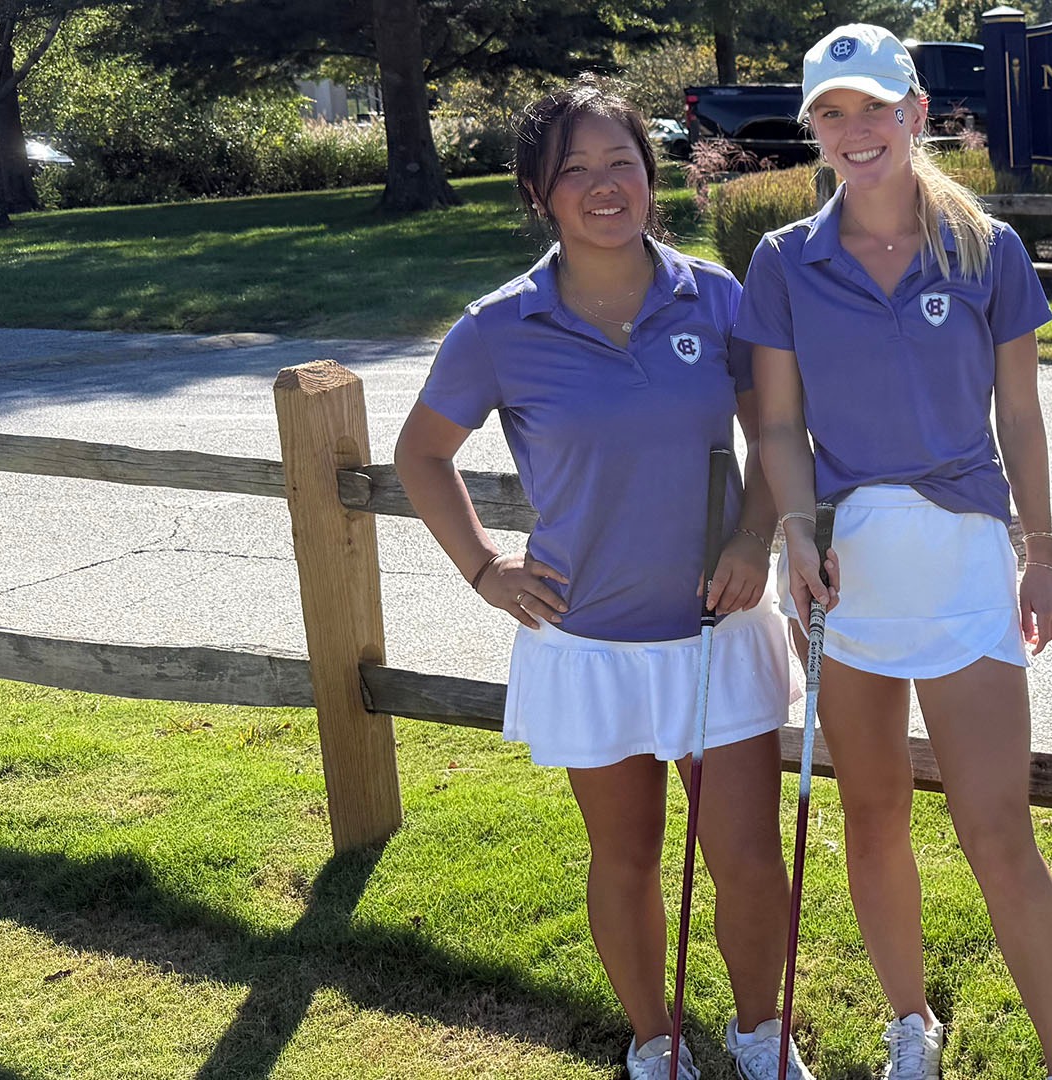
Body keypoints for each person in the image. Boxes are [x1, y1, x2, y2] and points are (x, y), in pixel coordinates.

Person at [392, 76, 814, 1080]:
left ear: (650, 173)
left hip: (719, 634)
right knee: (624, 860)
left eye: (619, 161)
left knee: (749, 860)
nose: (602, 185)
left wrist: (755, 538)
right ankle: (656, 1040)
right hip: (587, 642)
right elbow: (421, 455)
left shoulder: (716, 296)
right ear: (539, 196)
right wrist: (484, 569)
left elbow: (776, 436)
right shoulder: (499, 326)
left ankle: (761, 1033)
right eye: (572, 170)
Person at [736, 24, 1052, 1080]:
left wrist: (1041, 553)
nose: (856, 131)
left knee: (997, 829)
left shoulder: (987, 246)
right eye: (832, 113)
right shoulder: (782, 263)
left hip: (962, 565)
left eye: (874, 108)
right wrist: (795, 537)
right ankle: (911, 1025)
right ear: (814, 130)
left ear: (917, 113)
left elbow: (1021, 419)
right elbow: (774, 427)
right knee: (874, 809)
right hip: (847, 575)